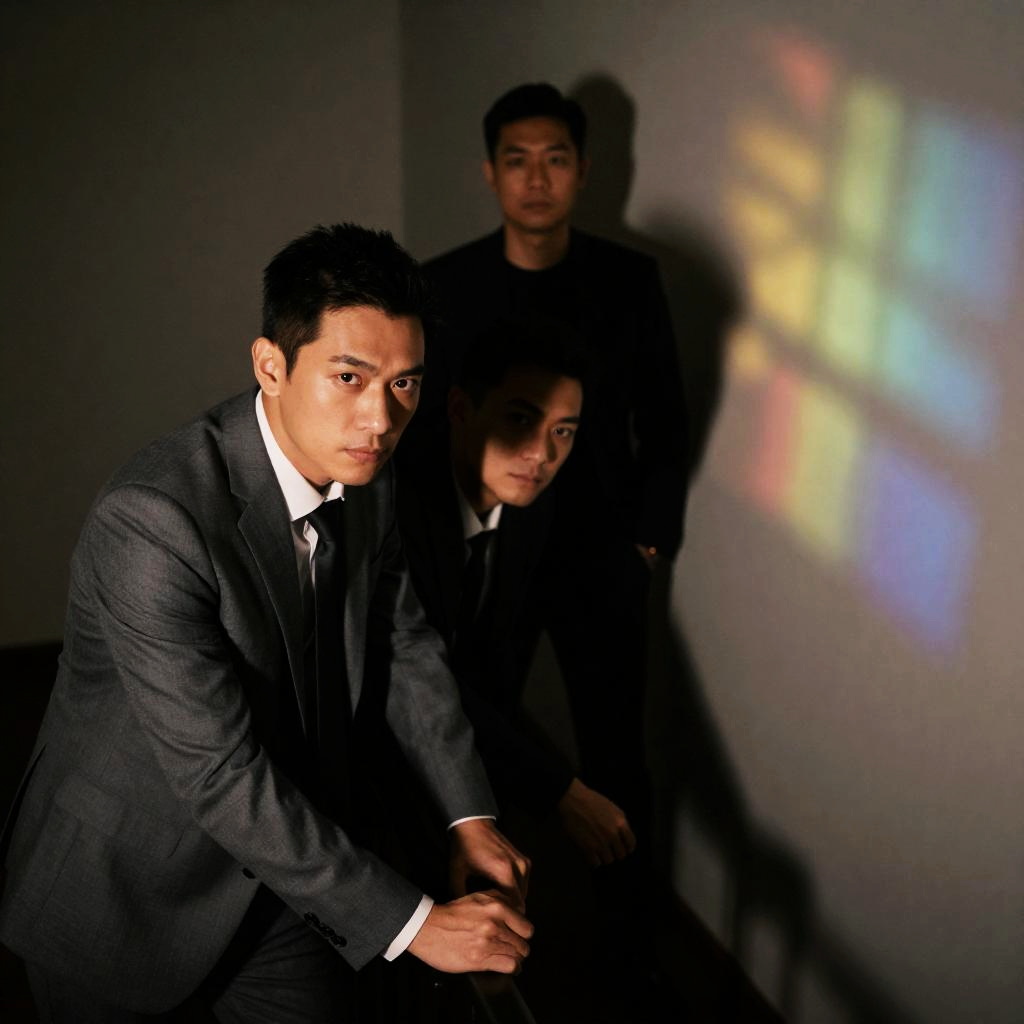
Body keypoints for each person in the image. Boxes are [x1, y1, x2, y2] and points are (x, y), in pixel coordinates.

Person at [0, 223, 532, 1024]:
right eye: (349, 377)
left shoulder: (371, 480)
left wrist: (469, 814)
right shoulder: (151, 520)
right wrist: (418, 925)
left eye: (405, 384)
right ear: (270, 366)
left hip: (288, 877)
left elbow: (401, 639)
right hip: (124, 891)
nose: (380, 419)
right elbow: (220, 775)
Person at [423, 82, 688, 903]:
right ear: (490, 172)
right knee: (475, 732)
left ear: (586, 170)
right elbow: (433, 421)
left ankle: (630, 937)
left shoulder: (629, 280)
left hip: (600, 553)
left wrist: (648, 540)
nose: (536, 179)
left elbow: (668, 418)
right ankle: (485, 911)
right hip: (486, 553)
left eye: (556, 159)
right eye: (517, 160)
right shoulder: (444, 285)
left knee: (616, 752)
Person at [395, 317, 636, 868]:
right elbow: (418, 681)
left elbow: (495, 674)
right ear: (460, 409)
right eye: (521, 419)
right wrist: (559, 789)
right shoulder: (395, 506)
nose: (542, 454)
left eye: (563, 431)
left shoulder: (532, 509)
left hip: (465, 756)